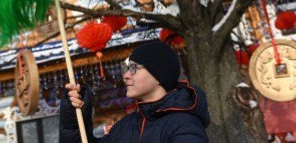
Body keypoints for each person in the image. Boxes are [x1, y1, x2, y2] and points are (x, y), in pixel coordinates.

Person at [60, 41, 210, 142]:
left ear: (159, 75)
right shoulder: (125, 126)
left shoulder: (184, 126)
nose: (126, 75)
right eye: (127, 69)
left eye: (133, 68)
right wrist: (73, 118)